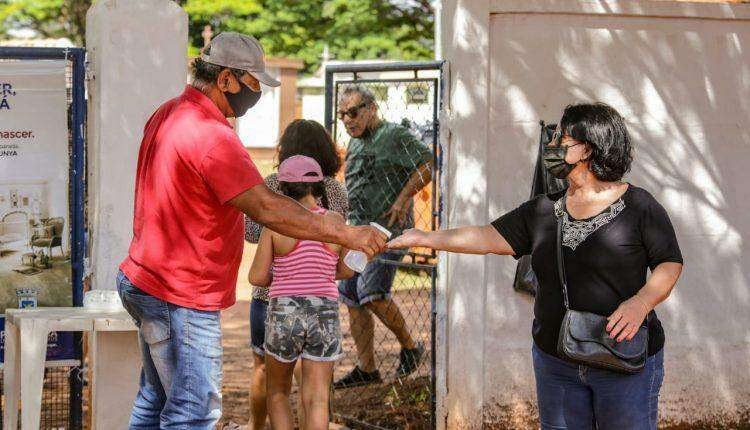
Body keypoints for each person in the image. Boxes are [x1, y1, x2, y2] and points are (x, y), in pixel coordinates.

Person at [116, 32, 386, 429]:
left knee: (155, 399)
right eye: (252, 82)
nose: (256, 92)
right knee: (192, 412)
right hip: (180, 292)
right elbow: (265, 206)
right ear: (225, 79)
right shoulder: (212, 135)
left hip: (145, 277)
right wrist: (342, 233)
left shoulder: (169, 113)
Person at [388, 103, 684, 430]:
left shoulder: (639, 205)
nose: (551, 145)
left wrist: (641, 303)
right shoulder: (543, 209)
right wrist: (425, 237)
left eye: (560, 137)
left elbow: (669, 263)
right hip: (557, 363)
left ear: (586, 147)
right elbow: (486, 236)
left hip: (624, 360)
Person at [244, 119, 348, 430]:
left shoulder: (270, 187)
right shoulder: (335, 198)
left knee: (272, 381)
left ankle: (254, 425)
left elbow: (252, 241)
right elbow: (341, 263)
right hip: (323, 308)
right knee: (316, 394)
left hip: (277, 306)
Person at [333, 85, 433, 388]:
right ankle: (367, 369)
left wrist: (403, 198)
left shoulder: (394, 135)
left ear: (371, 108)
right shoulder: (356, 143)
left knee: (371, 292)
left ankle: (411, 348)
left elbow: (428, 162)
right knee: (351, 295)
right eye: (342, 115)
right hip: (359, 233)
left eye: (353, 112)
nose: (347, 120)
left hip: (389, 232)